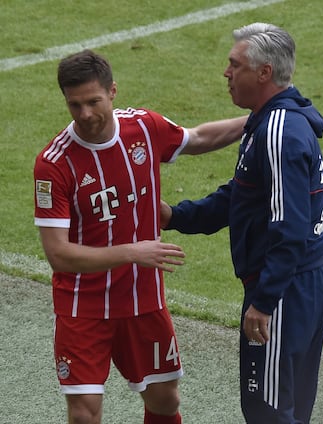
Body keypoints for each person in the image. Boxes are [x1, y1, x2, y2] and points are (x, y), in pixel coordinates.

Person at [33, 49, 247, 424]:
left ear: (112, 91)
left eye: (93, 102)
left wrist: (259, 117)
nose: (85, 115)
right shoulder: (54, 164)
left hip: (142, 301)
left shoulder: (144, 128)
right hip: (82, 306)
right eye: (75, 105)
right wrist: (132, 252)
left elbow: (196, 138)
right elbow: (59, 255)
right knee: (84, 414)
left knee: (165, 400)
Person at [161, 23, 323, 423]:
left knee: (267, 410)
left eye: (234, 65)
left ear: (264, 73)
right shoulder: (272, 121)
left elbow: (287, 229)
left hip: (285, 286)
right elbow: (243, 197)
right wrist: (177, 216)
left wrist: (263, 301)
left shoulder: (276, 131)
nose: (226, 73)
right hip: (304, 277)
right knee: (287, 404)